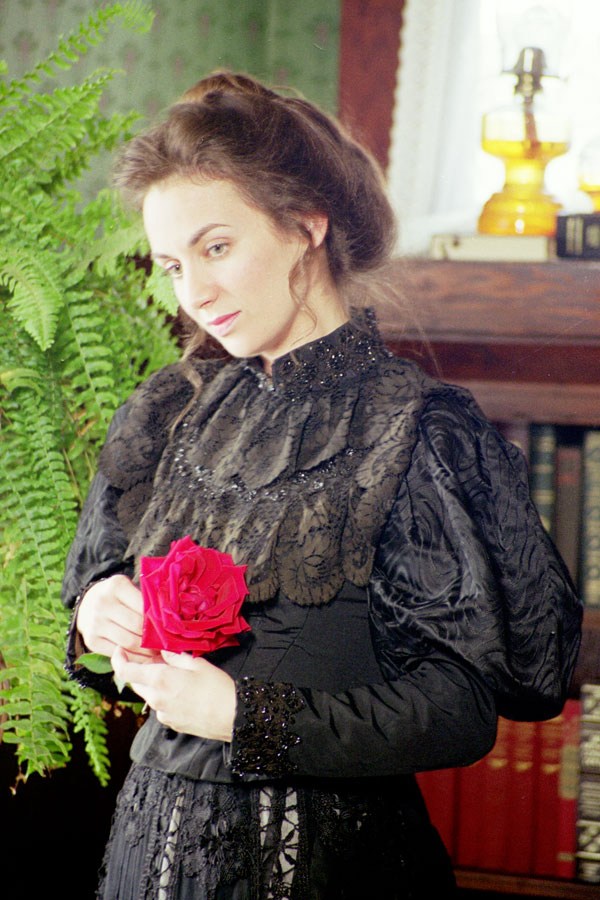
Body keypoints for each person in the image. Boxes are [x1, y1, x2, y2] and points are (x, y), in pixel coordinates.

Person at [62, 71, 582, 900]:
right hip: (144, 859)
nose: (194, 293)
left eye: (217, 248)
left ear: (307, 224)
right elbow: (95, 613)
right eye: (171, 264)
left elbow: (460, 709)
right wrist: (98, 612)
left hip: (329, 869)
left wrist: (246, 719)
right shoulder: (165, 411)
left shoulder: (418, 430)